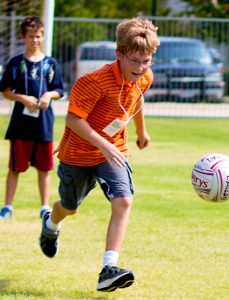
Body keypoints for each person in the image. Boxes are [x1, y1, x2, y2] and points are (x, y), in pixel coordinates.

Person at [39, 18, 160, 292]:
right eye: (135, 61)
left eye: (147, 61)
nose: (141, 69)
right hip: (78, 154)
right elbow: (73, 119)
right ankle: (50, 223)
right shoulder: (93, 81)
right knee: (70, 208)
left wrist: (141, 131)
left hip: (114, 151)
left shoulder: (144, 76)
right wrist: (103, 144)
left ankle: (108, 269)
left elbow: (138, 97)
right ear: (119, 53)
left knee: (123, 201)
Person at [0, 16, 64, 221]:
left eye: (38, 36)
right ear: (22, 37)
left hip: (43, 125)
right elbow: (5, 90)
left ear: (43, 36)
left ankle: (45, 207)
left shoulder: (51, 63)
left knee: (45, 168)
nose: (34, 40)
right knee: (15, 167)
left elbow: (59, 90)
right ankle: (7, 207)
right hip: (21, 125)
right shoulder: (15, 63)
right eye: (30, 36)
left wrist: (48, 95)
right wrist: (23, 98)